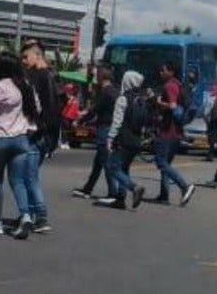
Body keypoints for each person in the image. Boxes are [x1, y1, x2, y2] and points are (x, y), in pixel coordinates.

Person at [0, 51, 45, 237]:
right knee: (18, 181)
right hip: (21, 140)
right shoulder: (26, 86)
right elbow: (37, 108)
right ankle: (26, 216)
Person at [149, 60, 197, 206]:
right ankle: (164, 195)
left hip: (167, 131)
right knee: (166, 164)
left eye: (163, 70)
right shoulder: (178, 85)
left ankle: (184, 187)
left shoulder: (170, 86)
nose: (160, 72)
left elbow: (172, 106)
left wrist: (156, 101)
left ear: (170, 72)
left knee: (161, 162)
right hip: (176, 131)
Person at [99, 70, 147, 210]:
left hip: (123, 139)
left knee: (113, 168)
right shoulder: (140, 100)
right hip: (136, 140)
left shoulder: (123, 99)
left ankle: (134, 187)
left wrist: (110, 137)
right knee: (124, 168)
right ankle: (121, 198)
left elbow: (117, 121)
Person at [73, 65, 117, 198]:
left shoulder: (105, 92)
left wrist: (80, 121)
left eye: (97, 76)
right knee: (98, 162)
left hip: (104, 128)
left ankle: (113, 193)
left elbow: (95, 111)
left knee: (106, 162)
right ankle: (88, 188)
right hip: (113, 128)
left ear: (101, 77)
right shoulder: (116, 91)